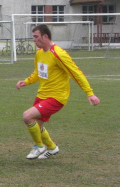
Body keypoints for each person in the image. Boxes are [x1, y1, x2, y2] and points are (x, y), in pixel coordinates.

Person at [16, 24, 100, 159]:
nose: (34, 40)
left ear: (45, 36)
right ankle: (52, 147)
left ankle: (38, 146)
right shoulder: (39, 53)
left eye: (36, 37)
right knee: (37, 126)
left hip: (56, 97)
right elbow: (39, 72)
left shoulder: (58, 53)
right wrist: (26, 81)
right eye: (33, 37)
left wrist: (89, 93)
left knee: (27, 116)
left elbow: (76, 73)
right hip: (42, 94)